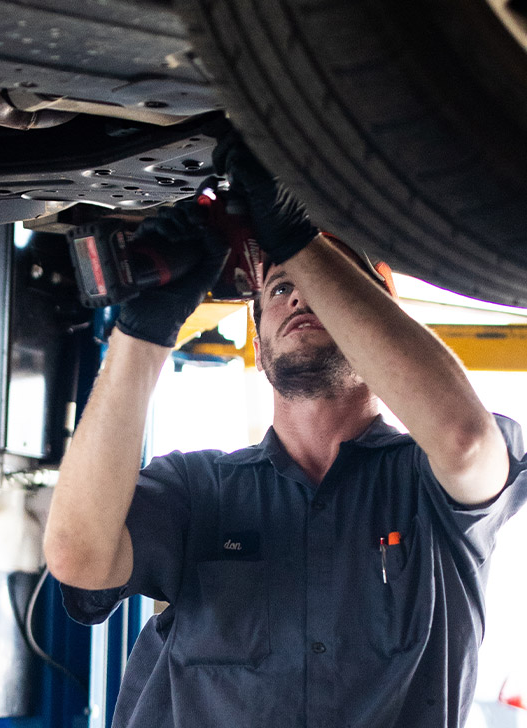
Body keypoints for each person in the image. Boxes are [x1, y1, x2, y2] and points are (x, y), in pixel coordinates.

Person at [42, 131, 527, 728]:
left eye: (326, 282)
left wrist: (298, 241)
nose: (298, 294)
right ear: (259, 338)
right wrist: (143, 330)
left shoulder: (430, 486)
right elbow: (78, 556)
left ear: (382, 321)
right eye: (278, 288)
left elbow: (465, 440)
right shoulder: (199, 488)